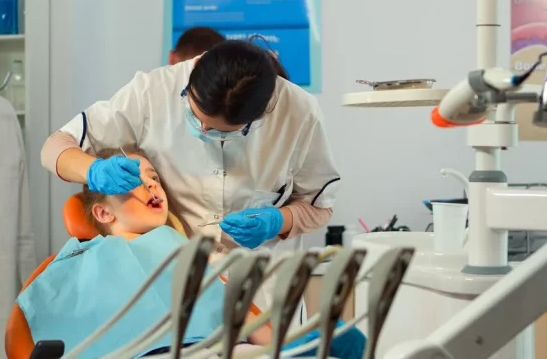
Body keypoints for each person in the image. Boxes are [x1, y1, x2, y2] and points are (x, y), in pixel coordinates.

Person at [41, 40, 340, 315]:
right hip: (176, 291)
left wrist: (279, 220)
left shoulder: (299, 113)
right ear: (195, 70)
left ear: (261, 115)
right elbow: (56, 146)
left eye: (224, 132)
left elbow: (320, 204)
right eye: (197, 117)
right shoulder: (151, 92)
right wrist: (91, 169)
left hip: (257, 290)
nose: (205, 132)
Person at [19, 147, 364, 358]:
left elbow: (240, 312)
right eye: (134, 181)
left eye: (153, 178)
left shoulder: (182, 249)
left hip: (215, 350)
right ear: (104, 213)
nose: (152, 184)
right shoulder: (77, 263)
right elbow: (43, 324)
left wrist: (281, 347)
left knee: (345, 337)